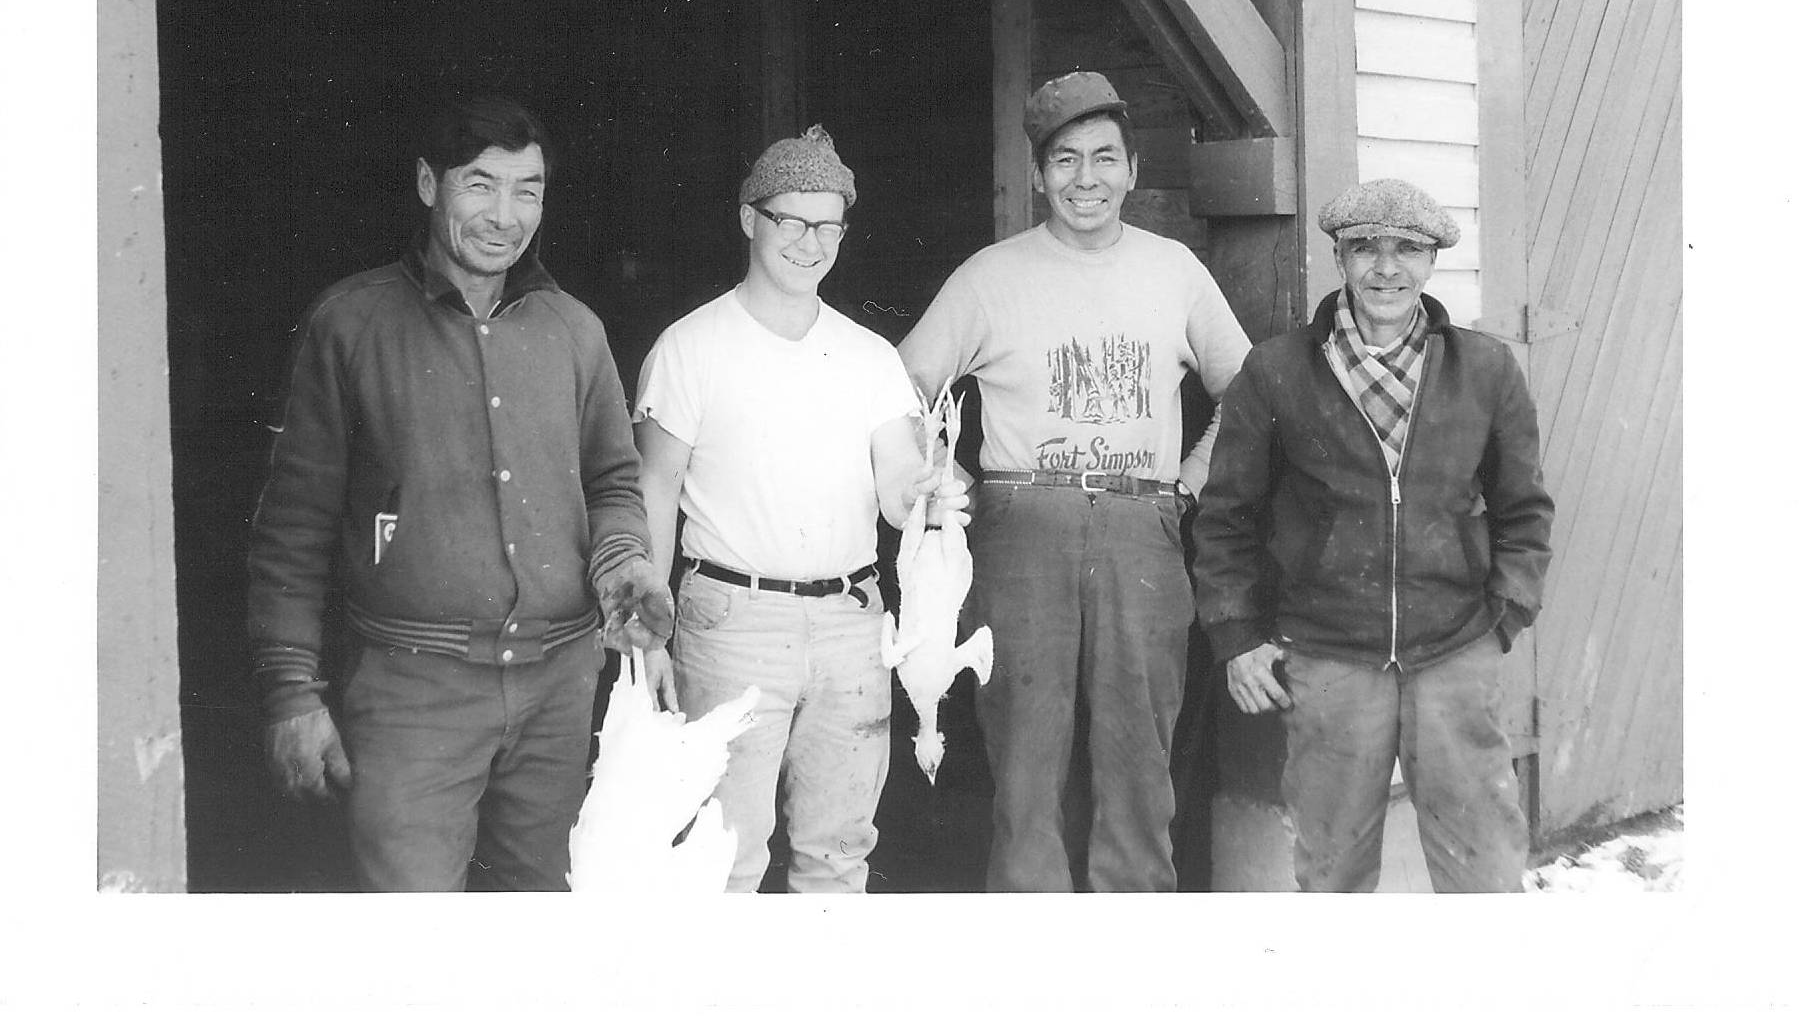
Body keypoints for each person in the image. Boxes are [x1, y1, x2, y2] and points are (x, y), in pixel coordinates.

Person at [245, 94, 670, 891]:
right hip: (412, 693)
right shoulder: (349, 324)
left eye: (528, 190)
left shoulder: (576, 330)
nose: (505, 215)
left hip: (558, 689)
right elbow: (291, 530)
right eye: (480, 185)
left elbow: (613, 481)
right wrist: (290, 695)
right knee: (415, 942)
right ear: (426, 183)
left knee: (538, 920)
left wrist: (622, 560)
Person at [898, 71, 1251, 892]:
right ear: (1036, 175)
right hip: (1023, 523)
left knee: (1139, 756)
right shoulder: (988, 275)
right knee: (1025, 759)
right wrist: (943, 479)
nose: (1083, 179)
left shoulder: (1176, 271)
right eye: (1063, 160)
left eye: (1102, 158)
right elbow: (898, 387)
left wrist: (1192, 478)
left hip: (1143, 523)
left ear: (1132, 170)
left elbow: (1251, 392)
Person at [1192, 177, 1554, 892]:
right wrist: (1236, 636)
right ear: (1338, 257)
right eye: (1364, 248)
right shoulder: (1276, 370)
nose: (1385, 269)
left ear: (1431, 263)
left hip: (1453, 645)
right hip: (1328, 652)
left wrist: (1501, 619)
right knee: (1331, 867)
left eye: (1406, 250)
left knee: (1482, 861)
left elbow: (1523, 510)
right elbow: (1226, 516)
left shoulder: (1483, 368)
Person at [632, 124, 965, 893]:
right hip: (729, 622)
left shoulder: (868, 356)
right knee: (721, 858)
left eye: (828, 225)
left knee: (838, 854)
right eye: (790, 220)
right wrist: (647, 634)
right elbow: (650, 494)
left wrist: (931, 492)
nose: (810, 242)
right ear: (749, 218)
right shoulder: (689, 347)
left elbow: (896, 491)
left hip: (851, 623)